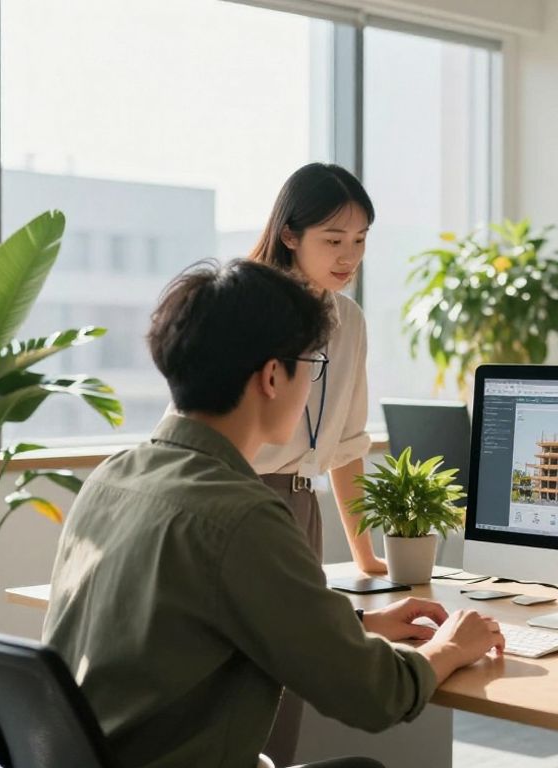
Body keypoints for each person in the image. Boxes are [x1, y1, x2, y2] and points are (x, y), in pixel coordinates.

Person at [43, 260, 504, 768]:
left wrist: (358, 624)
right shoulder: (240, 516)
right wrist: (453, 647)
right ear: (271, 377)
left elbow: (198, 620)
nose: (311, 386)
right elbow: (377, 695)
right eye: (312, 366)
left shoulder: (111, 479)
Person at [245, 163, 387, 763]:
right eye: (333, 240)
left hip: (303, 505)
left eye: (359, 241)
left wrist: (367, 559)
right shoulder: (244, 306)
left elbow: (348, 448)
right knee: (252, 677)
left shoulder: (349, 321)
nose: (348, 256)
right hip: (245, 500)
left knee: (287, 679)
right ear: (289, 236)